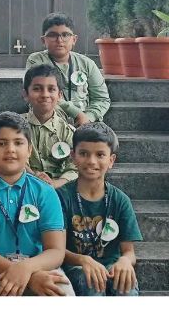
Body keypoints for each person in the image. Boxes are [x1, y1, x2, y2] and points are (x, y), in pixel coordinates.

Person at [0, 111, 75, 296]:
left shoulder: (45, 192)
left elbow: (56, 251)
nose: (10, 149)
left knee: (62, 293)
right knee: (2, 292)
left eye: (18, 143)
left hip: (38, 265)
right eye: (1, 143)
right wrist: (26, 275)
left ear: (29, 150)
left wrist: (26, 269)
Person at [57, 122, 142, 296]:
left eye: (100, 154)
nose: (91, 161)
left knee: (126, 287)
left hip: (111, 268)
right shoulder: (61, 197)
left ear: (111, 160)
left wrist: (125, 261)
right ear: (73, 156)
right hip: (76, 267)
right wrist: (83, 260)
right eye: (84, 153)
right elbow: (55, 249)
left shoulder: (120, 200)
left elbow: (129, 251)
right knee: (91, 283)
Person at [26, 12, 110, 126]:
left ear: (74, 39)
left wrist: (88, 117)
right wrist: (77, 113)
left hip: (84, 123)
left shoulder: (86, 63)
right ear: (43, 40)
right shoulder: (36, 60)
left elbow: (102, 99)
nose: (59, 40)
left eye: (65, 35)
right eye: (52, 35)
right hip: (48, 122)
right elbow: (42, 94)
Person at [22, 64, 78, 188]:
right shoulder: (16, 127)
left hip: (58, 188)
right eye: (37, 89)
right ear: (26, 94)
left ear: (60, 95)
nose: (45, 95)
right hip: (24, 185)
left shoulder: (67, 132)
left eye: (51, 89)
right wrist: (35, 176)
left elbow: (75, 168)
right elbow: (15, 159)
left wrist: (55, 184)